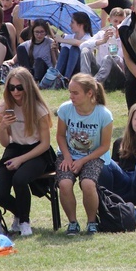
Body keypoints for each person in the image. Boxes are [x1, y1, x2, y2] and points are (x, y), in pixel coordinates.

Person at [0, 68, 56, 236]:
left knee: (19, 179)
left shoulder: (39, 109)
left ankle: (24, 221)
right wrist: (3, 127)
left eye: (19, 88)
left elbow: (45, 144)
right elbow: (5, 142)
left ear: (28, 87)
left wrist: (21, 160)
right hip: (14, 149)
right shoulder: (4, 107)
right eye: (11, 88)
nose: (15, 92)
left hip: (37, 151)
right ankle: (19, 213)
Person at [56, 74, 113, 236]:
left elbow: (105, 146)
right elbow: (60, 136)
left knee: (88, 184)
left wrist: (83, 161)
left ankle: (91, 222)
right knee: (65, 184)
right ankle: (73, 222)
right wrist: (67, 157)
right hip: (68, 153)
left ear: (89, 94)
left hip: (94, 155)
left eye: (75, 93)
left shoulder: (104, 114)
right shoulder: (65, 109)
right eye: (70, 92)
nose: (71, 96)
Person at [80, 7, 127, 91]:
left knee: (108, 58)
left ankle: (93, 83)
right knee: (85, 51)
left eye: (121, 22)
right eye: (115, 21)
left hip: (117, 74)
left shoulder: (127, 37)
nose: (118, 25)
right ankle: (85, 81)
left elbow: (122, 63)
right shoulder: (102, 34)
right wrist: (102, 41)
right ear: (109, 21)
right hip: (100, 70)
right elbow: (82, 46)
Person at [53, 12, 93, 80]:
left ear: (80, 25)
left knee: (74, 49)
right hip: (66, 68)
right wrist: (55, 49)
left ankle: (66, 79)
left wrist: (62, 40)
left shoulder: (89, 39)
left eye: (72, 22)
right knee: (65, 49)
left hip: (80, 69)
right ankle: (56, 78)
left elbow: (77, 43)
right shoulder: (68, 37)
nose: (70, 25)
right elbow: (61, 58)